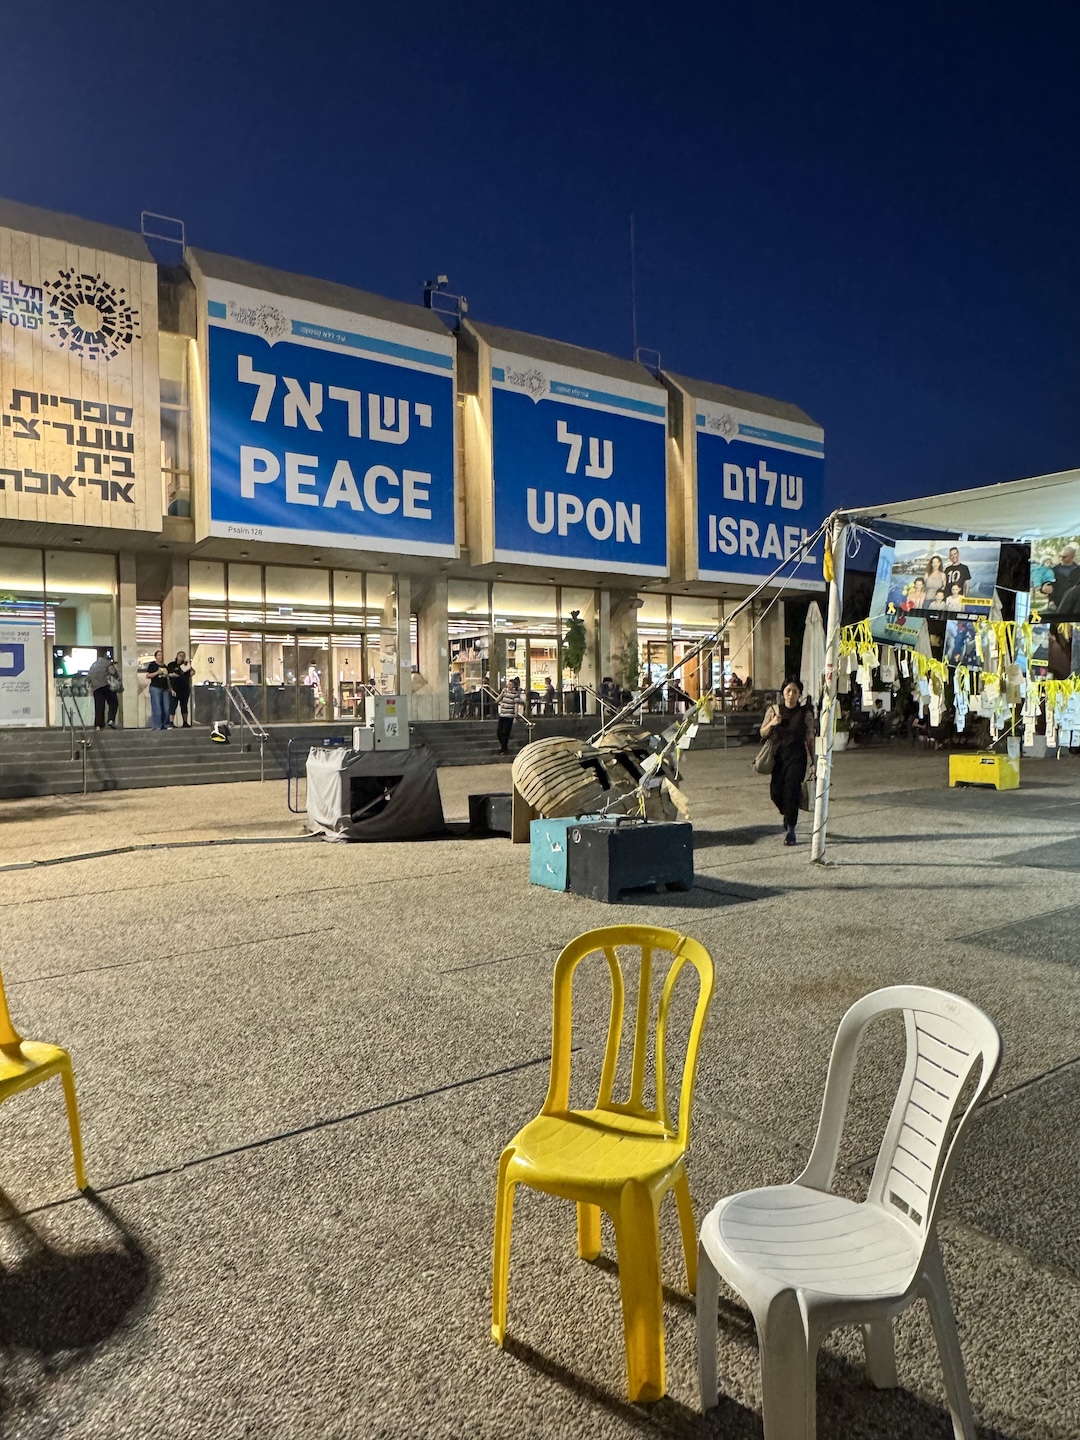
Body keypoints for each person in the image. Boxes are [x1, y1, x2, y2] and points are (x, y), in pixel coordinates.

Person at [760, 679, 816, 846]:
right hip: (778, 757)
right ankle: (788, 812)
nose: (791, 694)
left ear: (800, 694)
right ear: (783, 692)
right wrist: (772, 722)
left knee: (791, 790)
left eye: (795, 691)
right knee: (776, 792)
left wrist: (814, 761)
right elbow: (763, 732)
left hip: (797, 757)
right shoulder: (774, 710)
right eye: (788, 690)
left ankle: (791, 830)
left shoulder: (805, 713)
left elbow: (810, 738)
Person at [87, 653, 121, 730]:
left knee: (99, 706)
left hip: (96, 688)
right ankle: (111, 720)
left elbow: (88, 678)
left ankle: (98, 725)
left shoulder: (93, 665)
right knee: (113, 702)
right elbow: (112, 672)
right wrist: (118, 678)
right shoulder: (107, 663)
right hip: (106, 686)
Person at [496, 676, 524, 754]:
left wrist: (515, 716)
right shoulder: (505, 692)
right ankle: (503, 747)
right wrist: (502, 693)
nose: (509, 686)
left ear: (514, 686)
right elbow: (497, 700)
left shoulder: (515, 694)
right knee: (499, 732)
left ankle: (504, 748)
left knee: (505, 732)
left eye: (511, 684)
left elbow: (516, 706)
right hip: (502, 714)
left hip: (509, 716)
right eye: (508, 684)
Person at [146, 649, 172, 730]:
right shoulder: (152, 665)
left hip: (164, 688)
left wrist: (170, 688)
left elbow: (167, 677)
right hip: (155, 687)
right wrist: (157, 672)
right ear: (156, 657)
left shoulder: (164, 666)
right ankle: (157, 725)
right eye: (159, 655)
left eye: (161, 655)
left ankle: (165, 724)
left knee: (166, 707)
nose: (161, 657)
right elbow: (148, 675)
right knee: (157, 707)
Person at [167, 651, 193, 727]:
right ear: (177, 656)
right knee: (173, 706)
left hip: (184, 688)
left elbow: (192, 672)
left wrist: (190, 668)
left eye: (183, 656)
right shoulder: (171, 665)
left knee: (184, 706)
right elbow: (167, 676)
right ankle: (171, 722)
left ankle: (185, 722)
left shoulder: (186, 665)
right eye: (180, 655)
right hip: (174, 688)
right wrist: (170, 688)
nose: (181, 657)